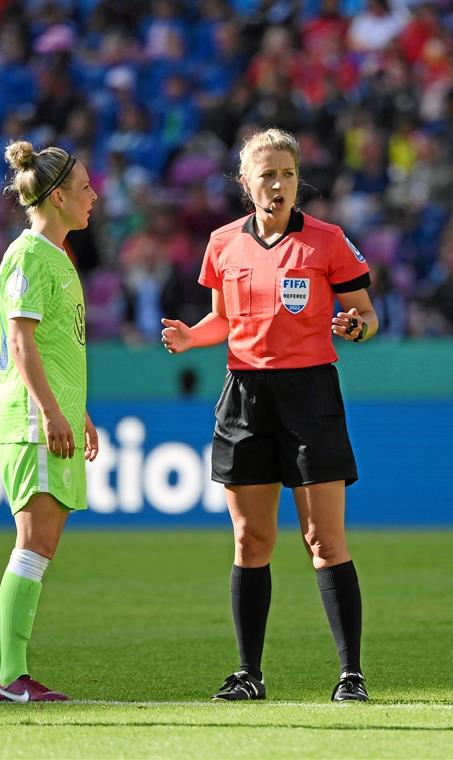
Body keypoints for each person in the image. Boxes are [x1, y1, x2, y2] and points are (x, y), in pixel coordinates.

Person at [160, 128, 379, 702]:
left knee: (323, 539)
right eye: (266, 174)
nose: (277, 184)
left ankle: (350, 675)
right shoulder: (222, 243)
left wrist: (355, 326)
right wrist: (190, 337)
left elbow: (366, 314)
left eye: (286, 173)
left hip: (310, 395)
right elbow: (222, 321)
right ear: (245, 183)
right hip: (245, 396)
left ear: (297, 179)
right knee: (250, 538)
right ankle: (248, 674)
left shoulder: (328, 241)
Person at [0, 139, 100, 703]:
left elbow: (54, 346)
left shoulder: (55, 256)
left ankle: (6, 671)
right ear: (56, 198)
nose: (94, 196)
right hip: (31, 418)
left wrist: (79, 412)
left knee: (41, 540)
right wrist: (53, 413)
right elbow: (20, 342)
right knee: (34, 540)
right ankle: (8, 677)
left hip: (50, 414)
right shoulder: (29, 254)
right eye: (83, 189)